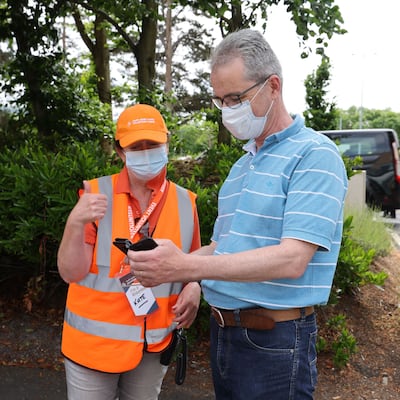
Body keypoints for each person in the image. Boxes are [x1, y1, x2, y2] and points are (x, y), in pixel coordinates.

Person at [126, 29, 348, 399]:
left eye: (235, 98)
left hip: (275, 342)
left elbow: (292, 259)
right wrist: (181, 272)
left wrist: (186, 268)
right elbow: (223, 247)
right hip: (225, 334)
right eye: (220, 100)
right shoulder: (242, 167)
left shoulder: (314, 155)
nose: (228, 110)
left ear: (273, 86)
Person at [57, 104, 201, 400]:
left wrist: (196, 285)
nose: (147, 152)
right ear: (121, 152)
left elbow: (193, 263)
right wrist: (75, 221)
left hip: (154, 343)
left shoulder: (186, 202)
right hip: (93, 347)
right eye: (137, 146)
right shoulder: (95, 196)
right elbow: (71, 272)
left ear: (167, 143)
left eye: (153, 144)